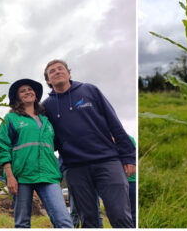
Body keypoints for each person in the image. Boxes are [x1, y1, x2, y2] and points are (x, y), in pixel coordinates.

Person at [41, 59, 135, 227]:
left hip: (107, 161)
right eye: (52, 71)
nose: (57, 72)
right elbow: (49, 139)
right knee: (89, 220)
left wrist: (128, 156)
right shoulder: (46, 107)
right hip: (75, 168)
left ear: (69, 73)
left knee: (120, 215)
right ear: (48, 81)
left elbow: (114, 122)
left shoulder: (89, 90)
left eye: (60, 68)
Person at [0, 78, 73, 229]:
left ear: (36, 95)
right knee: (22, 223)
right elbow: (3, 146)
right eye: (22, 91)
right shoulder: (11, 118)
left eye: (30, 89)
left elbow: (56, 144)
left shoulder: (46, 120)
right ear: (17, 97)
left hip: (49, 175)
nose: (27, 92)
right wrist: (10, 176)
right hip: (21, 176)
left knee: (64, 221)